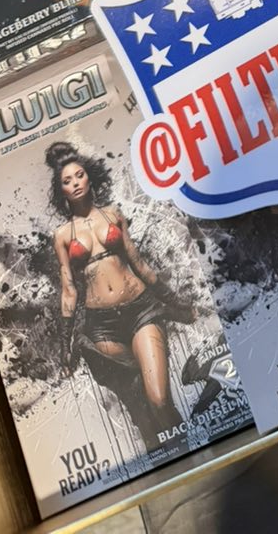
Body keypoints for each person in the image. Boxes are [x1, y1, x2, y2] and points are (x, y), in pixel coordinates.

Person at [48, 141, 193, 451]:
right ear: (61, 191)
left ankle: (194, 451)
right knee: (139, 406)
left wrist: (174, 301)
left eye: (79, 175)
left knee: (159, 399)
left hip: (140, 310)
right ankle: (170, 461)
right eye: (67, 181)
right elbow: (69, 289)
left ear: (90, 177)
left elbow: (139, 263)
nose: (75, 183)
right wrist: (65, 344)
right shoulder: (61, 236)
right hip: (102, 327)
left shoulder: (113, 214)